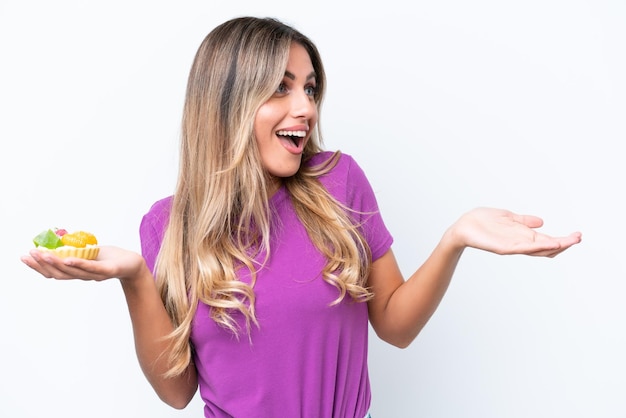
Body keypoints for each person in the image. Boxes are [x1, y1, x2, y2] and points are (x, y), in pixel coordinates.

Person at [21, 16, 582, 418]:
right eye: (281, 88)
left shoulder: (339, 181)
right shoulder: (167, 225)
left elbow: (395, 325)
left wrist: (454, 239)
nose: (306, 108)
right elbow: (177, 392)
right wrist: (134, 278)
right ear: (227, 102)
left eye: (310, 88)